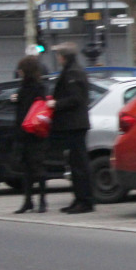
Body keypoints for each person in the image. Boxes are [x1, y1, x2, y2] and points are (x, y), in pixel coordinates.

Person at [50, 42, 94, 213]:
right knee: (76, 164)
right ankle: (79, 199)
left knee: (79, 164)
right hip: (73, 124)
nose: (57, 58)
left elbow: (75, 99)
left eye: (59, 55)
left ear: (64, 56)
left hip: (74, 124)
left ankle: (84, 201)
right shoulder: (72, 71)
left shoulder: (73, 72)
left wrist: (56, 103)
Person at [13, 56, 48, 214]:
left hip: (32, 131)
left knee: (35, 167)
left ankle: (38, 200)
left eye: (20, 69)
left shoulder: (34, 88)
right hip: (30, 131)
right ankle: (31, 200)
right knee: (29, 168)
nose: (18, 72)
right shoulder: (35, 87)